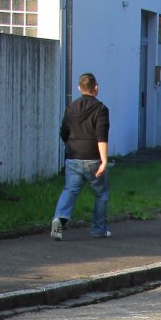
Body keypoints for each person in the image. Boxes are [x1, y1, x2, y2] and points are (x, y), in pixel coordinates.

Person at [51, 73, 111, 241]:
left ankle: (59, 218)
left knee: (70, 190)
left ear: (79, 88)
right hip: (93, 158)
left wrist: (71, 145)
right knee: (101, 193)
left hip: (73, 156)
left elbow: (64, 132)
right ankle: (98, 229)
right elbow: (101, 135)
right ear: (96, 88)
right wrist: (104, 160)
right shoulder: (101, 109)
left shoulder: (71, 107)